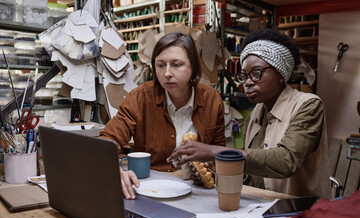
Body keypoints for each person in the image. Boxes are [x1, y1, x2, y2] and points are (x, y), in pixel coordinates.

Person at [167, 28, 331, 198]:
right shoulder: (256, 114)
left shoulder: (309, 106)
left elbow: (285, 161)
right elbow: (251, 177)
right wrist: (213, 174)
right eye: (244, 76)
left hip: (298, 211)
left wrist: (216, 152)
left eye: (257, 73)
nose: (248, 83)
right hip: (260, 206)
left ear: (281, 74)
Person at [100, 32, 226, 199]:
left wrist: (209, 169)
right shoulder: (140, 98)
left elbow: (220, 154)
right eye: (160, 65)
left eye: (176, 64)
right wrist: (112, 167)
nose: (167, 73)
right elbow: (108, 139)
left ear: (193, 67)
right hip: (146, 191)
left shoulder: (211, 100)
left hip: (198, 194)